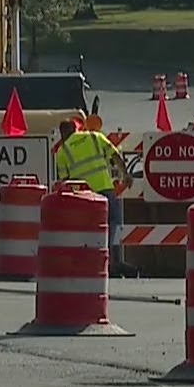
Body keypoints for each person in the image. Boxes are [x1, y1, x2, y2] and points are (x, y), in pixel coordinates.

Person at [54, 118, 136, 277]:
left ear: (63, 134)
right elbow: (116, 155)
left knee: (87, 228)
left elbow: (65, 181)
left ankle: (90, 260)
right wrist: (125, 175)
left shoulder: (62, 151)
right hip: (104, 188)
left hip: (83, 195)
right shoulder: (94, 137)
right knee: (114, 221)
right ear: (77, 129)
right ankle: (112, 258)